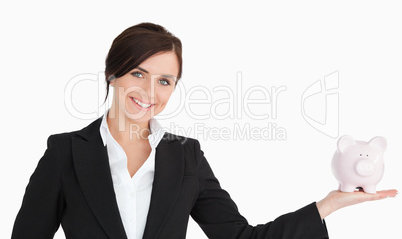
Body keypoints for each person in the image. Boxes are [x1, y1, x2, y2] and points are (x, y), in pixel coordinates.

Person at [11, 23, 397, 239]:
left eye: (165, 81)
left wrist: (327, 205)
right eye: (138, 74)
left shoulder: (186, 156)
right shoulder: (65, 153)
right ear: (112, 75)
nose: (149, 92)